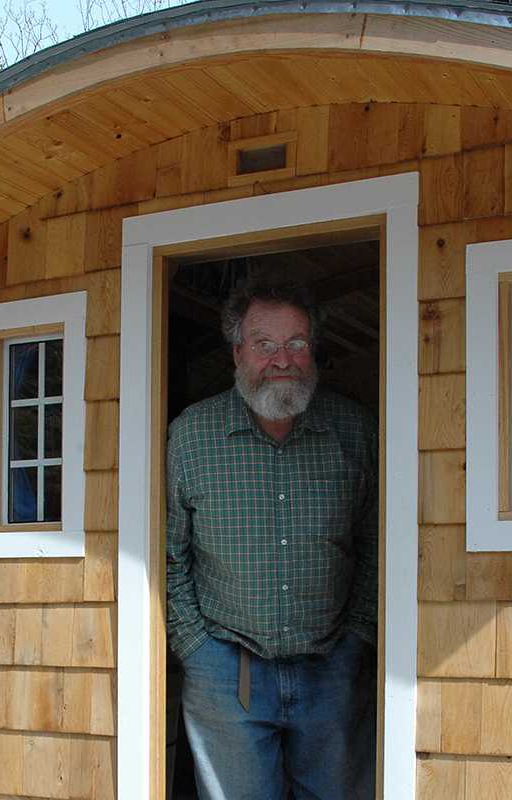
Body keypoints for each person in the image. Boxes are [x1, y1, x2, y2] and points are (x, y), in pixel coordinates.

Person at [166, 282, 378, 800]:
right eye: (264, 344)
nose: (282, 360)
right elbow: (169, 554)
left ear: (313, 350)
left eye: (296, 343)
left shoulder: (355, 431)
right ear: (238, 352)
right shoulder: (192, 435)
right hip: (225, 669)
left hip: (333, 667)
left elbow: (378, 546)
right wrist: (196, 647)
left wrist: (357, 640)